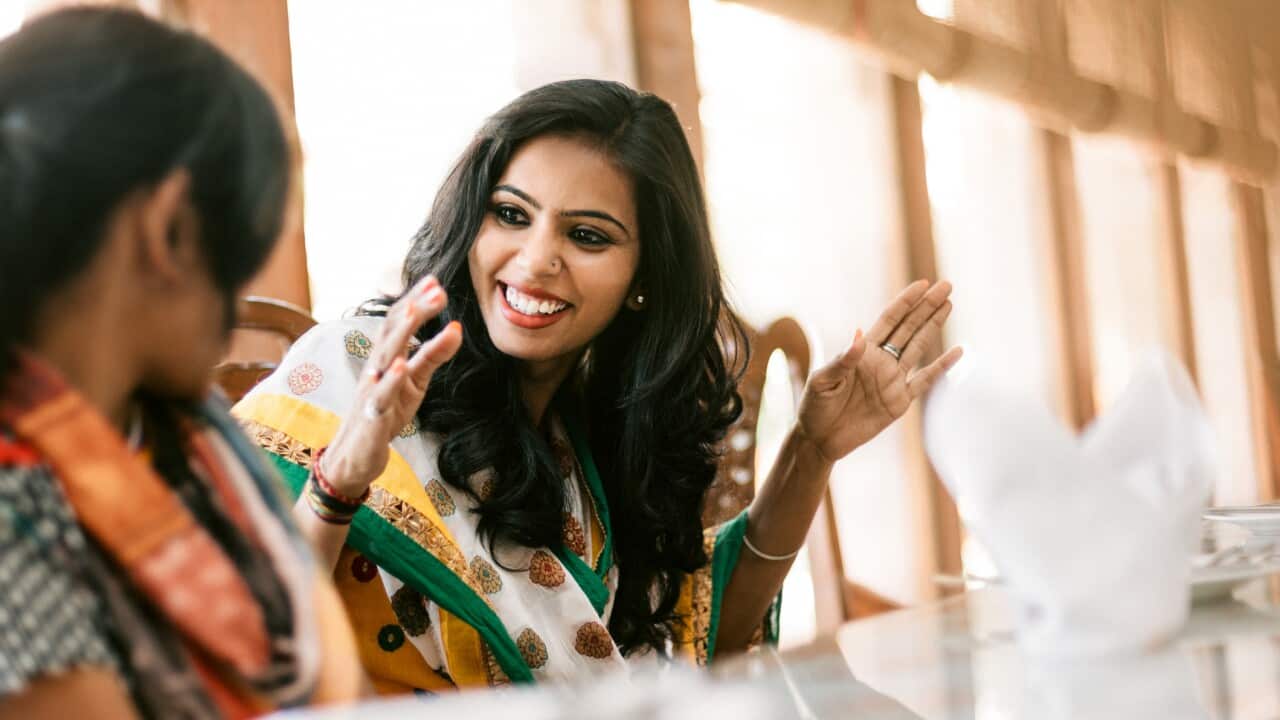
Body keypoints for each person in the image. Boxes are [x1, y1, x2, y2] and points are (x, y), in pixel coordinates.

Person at [235, 78, 961, 692]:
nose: (536, 258)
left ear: (645, 280)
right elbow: (224, 628)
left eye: (587, 236)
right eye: (511, 214)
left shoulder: (582, 442)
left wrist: (811, 449)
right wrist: (340, 483)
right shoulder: (357, 371)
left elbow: (705, 635)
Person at [0, 8, 361, 719]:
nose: (231, 319)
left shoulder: (186, 434)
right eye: (233, 272)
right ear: (169, 230)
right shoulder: (14, 512)